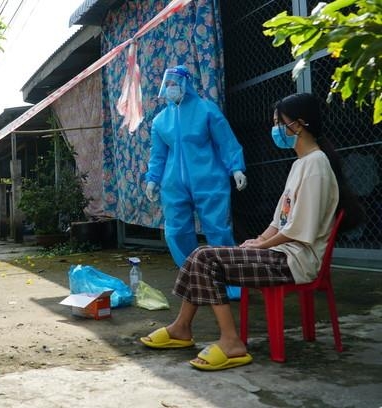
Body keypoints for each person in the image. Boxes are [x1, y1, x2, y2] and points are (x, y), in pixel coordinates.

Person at [139, 92, 362, 370]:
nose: (276, 130)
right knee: (201, 253)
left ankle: (230, 342)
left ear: (300, 125)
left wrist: (262, 247)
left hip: (295, 262)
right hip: (281, 253)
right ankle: (181, 328)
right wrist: (258, 240)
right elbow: (280, 220)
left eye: (280, 122)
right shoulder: (300, 164)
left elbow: (299, 229)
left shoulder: (316, 166)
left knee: (206, 259)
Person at [145, 65, 247, 299]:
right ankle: (195, 277)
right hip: (173, 185)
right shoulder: (161, 121)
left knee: (218, 231)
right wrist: (152, 179)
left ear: (185, 84)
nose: (170, 88)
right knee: (177, 232)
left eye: (174, 83)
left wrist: (236, 168)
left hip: (209, 179)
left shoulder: (206, 110)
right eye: (167, 84)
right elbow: (158, 155)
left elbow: (226, 141)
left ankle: (230, 283)